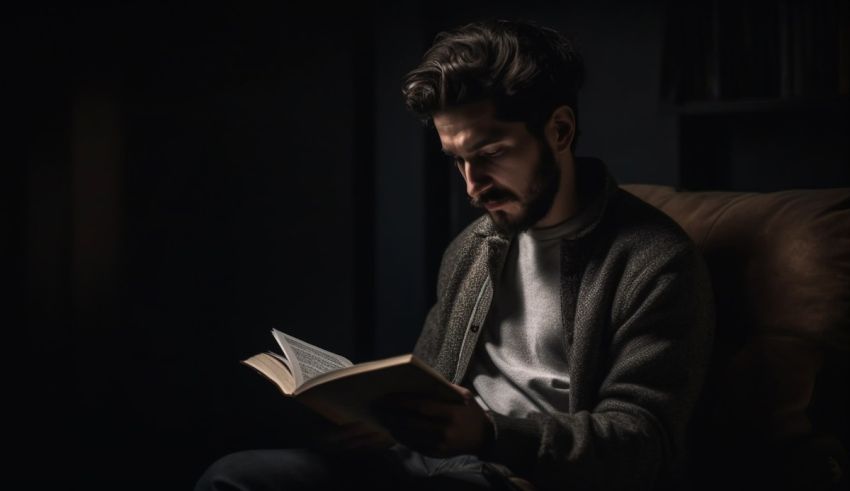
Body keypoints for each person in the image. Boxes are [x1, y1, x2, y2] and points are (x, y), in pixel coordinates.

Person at [196, 18, 714, 491]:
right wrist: (376, 423)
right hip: (425, 464)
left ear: (559, 130)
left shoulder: (654, 261)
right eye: (458, 161)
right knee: (235, 478)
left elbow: (644, 442)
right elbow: (431, 377)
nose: (473, 187)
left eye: (490, 155)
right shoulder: (472, 247)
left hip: (518, 475)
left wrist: (491, 434)